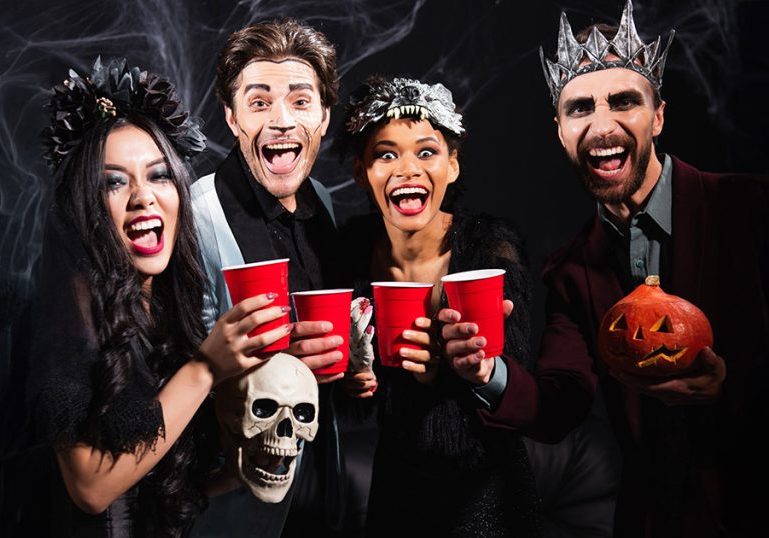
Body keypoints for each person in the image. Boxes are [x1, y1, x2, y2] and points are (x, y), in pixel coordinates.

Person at [532, 1, 769, 536]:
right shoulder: (569, 272)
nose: (602, 126)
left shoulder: (752, 211)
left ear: (658, 115)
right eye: (580, 109)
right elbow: (558, 400)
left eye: (623, 101)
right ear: (560, 131)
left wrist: (736, 388)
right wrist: (482, 371)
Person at [29, 57, 292, 537]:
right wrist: (206, 367)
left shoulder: (173, 307)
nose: (142, 197)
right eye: (113, 182)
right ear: (85, 206)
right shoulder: (71, 313)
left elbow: (158, 478)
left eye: (158, 175)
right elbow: (90, 489)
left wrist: (243, 466)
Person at [338, 75, 544, 536]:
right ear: (361, 171)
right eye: (386, 154)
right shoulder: (350, 254)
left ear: (452, 166)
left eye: (426, 152)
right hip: (396, 487)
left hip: (488, 488)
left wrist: (464, 370)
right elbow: (350, 410)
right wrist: (354, 381)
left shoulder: (490, 248)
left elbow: (515, 384)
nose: (407, 168)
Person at [189, 18, 361, 537]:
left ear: (325, 117)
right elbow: (167, 371)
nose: (282, 121)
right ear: (232, 117)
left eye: (301, 101)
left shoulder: (324, 205)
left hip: (318, 486)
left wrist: (356, 367)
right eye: (260, 102)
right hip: (228, 504)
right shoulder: (195, 215)